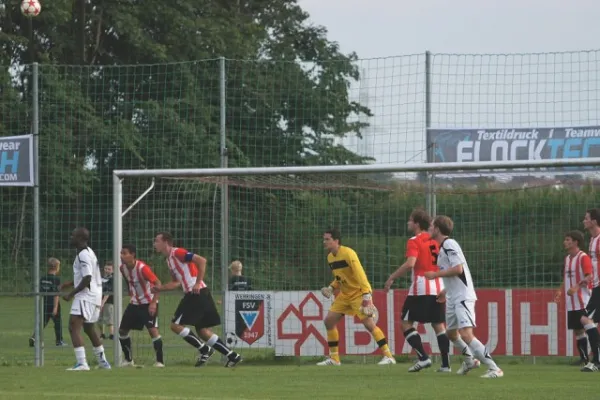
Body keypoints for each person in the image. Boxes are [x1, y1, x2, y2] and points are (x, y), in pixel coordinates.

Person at [425, 215, 503, 378]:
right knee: (451, 334)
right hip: (453, 297)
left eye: (432, 226)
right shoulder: (442, 249)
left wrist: (435, 274)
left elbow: (458, 269)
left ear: (438, 229)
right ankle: (470, 361)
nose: (429, 229)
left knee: (466, 334)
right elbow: (454, 275)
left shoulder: (450, 244)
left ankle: (494, 368)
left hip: (463, 296)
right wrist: (445, 291)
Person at [152, 232, 242, 367]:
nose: (154, 244)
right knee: (203, 331)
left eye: (156, 241)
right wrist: (160, 288)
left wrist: (198, 282)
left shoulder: (178, 253)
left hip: (196, 293)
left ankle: (205, 349)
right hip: (200, 293)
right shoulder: (169, 260)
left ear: (166, 242)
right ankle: (233, 356)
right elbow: (176, 282)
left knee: (175, 325)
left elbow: (202, 261)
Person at [317, 228, 396, 366]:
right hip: (344, 295)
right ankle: (334, 359)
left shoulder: (348, 253)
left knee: (369, 325)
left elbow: (360, 274)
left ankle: (389, 356)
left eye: (327, 239)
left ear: (336, 241)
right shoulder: (330, 257)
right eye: (324, 239)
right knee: (329, 321)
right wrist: (331, 287)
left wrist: (367, 296)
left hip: (358, 294)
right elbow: (340, 277)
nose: (324, 242)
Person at [384, 209, 450, 372]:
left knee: (405, 323)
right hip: (439, 287)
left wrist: (392, 277)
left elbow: (410, 264)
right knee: (438, 325)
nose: (408, 223)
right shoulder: (436, 241)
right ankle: (446, 365)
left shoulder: (414, 240)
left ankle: (423, 358)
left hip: (421, 288)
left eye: (410, 220)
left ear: (417, 224)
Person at [61, 227, 111, 371]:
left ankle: (82, 363)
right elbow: (88, 275)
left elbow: (87, 278)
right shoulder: (89, 253)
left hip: (86, 295)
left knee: (73, 326)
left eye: (74, 235)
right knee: (89, 328)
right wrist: (69, 283)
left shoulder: (83, 254)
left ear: (81, 239)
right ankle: (103, 362)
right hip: (94, 294)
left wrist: (71, 294)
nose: (71, 237)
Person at [118, 244, 165, 368]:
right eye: (121, 253)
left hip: (148, 302)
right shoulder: (122, 268)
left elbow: (158, 283)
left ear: (132, 255)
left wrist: (154, 302)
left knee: (152, 330)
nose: (121, 256)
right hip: (134, 303)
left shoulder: (142, 268)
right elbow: (128, 281)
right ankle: (128, 360)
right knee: (122, 330)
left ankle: (160, 361)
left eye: (124, 253)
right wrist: (130, 292)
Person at [554, 230, 593, 366]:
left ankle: (595, 358)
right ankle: (584, 358)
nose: (565, 242)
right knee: (578, 330)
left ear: (576, 242)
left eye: (568, 239)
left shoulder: (583, 257)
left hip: (583, 301)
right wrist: (560, 291)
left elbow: (589, 276)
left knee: (589, 328)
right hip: (572, 302)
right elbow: (566, 278)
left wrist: (576, 287)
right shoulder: (567, 259)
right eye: (565, 239)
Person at [29, 257, 66, 347]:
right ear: (56, 267)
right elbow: (56, 294)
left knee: (43, 322)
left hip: (44, 303)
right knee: (58, 322)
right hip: (53, 303)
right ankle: (59, 341)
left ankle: (34, 337)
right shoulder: (56, 280)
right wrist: (55, 307)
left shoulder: (43, 278)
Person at [581, 208, 600, 371]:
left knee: (585, 319)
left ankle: (597, 361)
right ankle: (596, 361)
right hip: (595, 286)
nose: (584, 221)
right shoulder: (592, 239)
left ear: (594, 221)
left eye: (586, 218)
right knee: (589, 321)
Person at [99, 261, 114, 340]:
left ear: (112, 270)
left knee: (109, 318)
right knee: (100, 318)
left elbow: (108, 292)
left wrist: (102, 303)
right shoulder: (101, 278)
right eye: (106, 268)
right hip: (98, 300)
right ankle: (102, 334)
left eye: (109, 269)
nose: (107, 270)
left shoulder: (112, 279)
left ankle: (112, 334)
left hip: (108, 301)